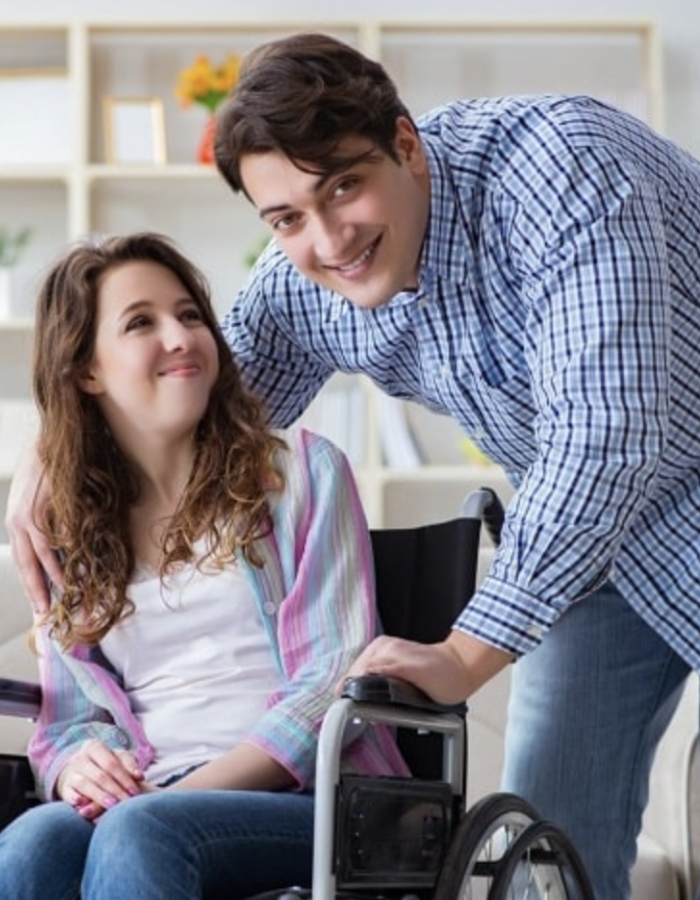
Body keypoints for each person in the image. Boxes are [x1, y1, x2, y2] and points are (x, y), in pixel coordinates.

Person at [6, 31, 700, 900]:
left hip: (654, 495)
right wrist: (52, 456)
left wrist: (465, 652)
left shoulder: (566, 172)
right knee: (546, 869)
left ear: (405, 145)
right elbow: (192, 382)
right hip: (598, 564)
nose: (328, 238)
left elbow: (608, 437)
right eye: (286, 217)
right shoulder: (315, 275)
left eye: (344, 188)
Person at [0, 231, 408, 900]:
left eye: (190, 315)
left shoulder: (301, 473)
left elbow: (332, 678)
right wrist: (80, 768)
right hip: (149, 797)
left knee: (142, 834)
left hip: (317, 805)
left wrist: (165, 799)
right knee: (33, 841)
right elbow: (68, 717)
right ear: (86, 370)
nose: (181, 336)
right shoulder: (70, 528)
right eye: (141, 322)